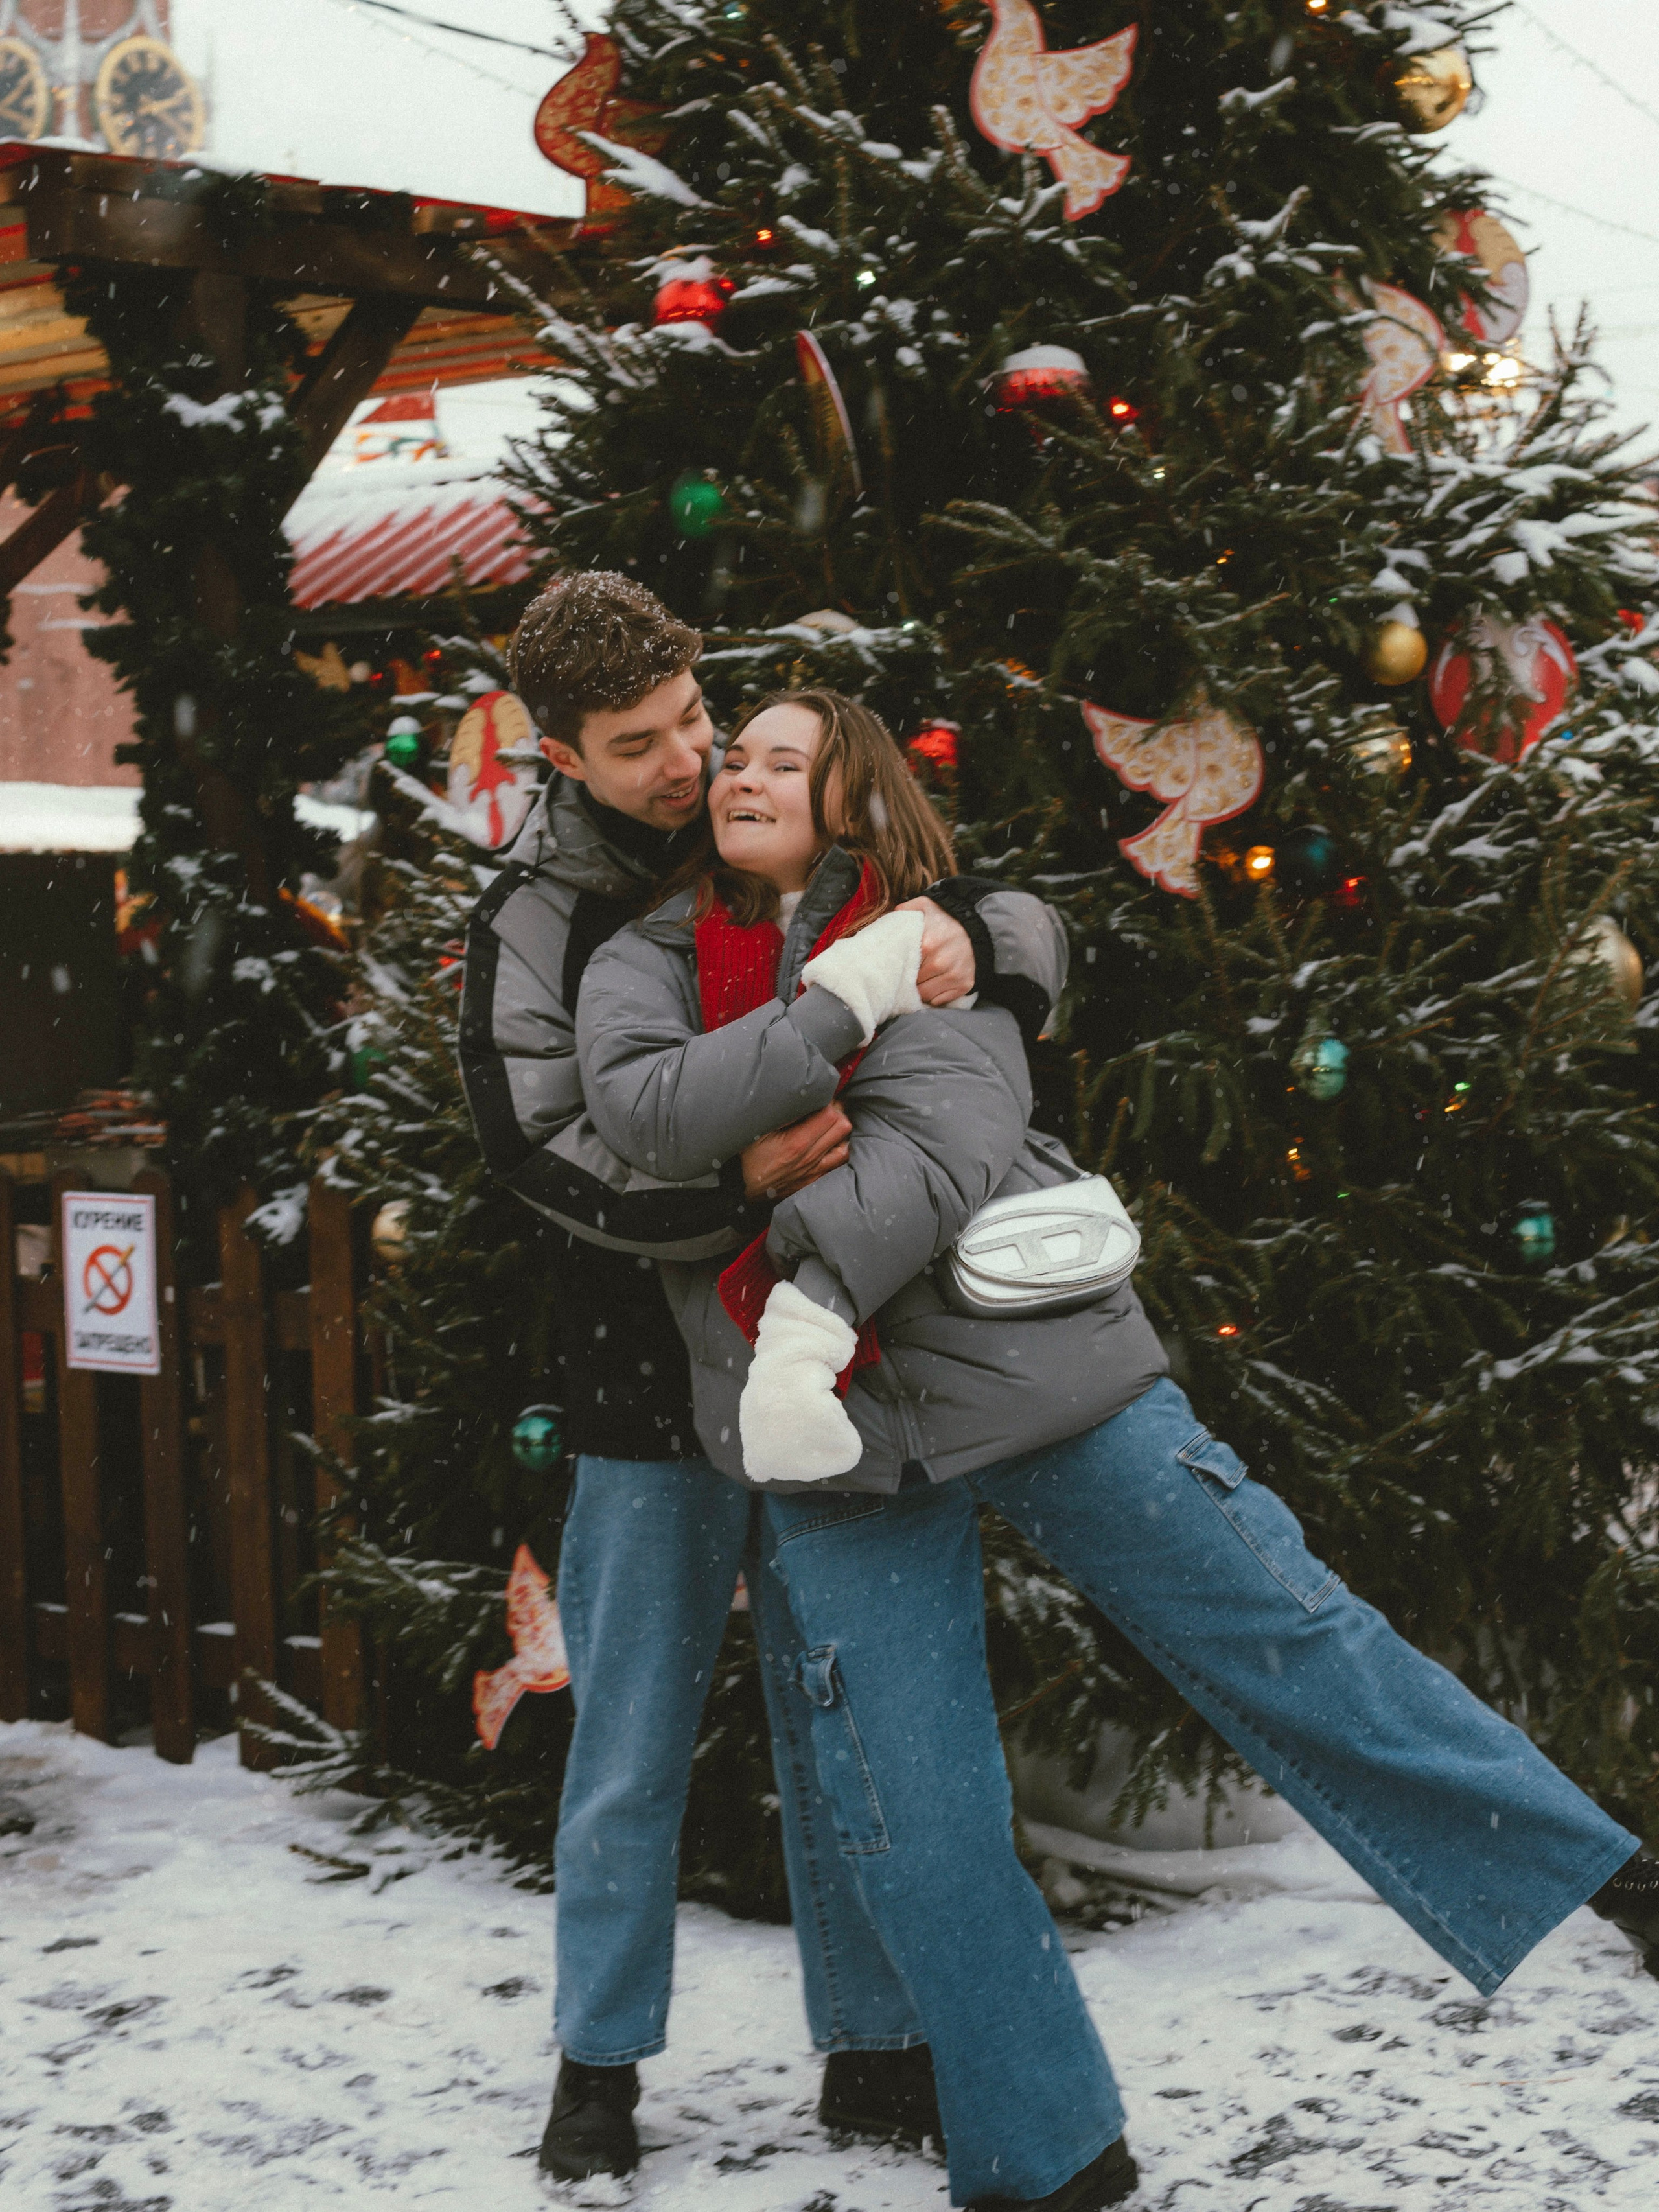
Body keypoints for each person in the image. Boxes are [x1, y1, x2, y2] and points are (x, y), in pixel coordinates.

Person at [575, 685, 1659, 2212]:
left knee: (1288, 1631)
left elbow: (948, 1131)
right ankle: (1047, 2161)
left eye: (783, 758)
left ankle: (1598, 1874)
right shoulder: (648, 961)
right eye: (731, 756)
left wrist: (807, 1248)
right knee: (914, 1817)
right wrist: (835, 1008)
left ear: (854, 795)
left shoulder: (948, 924)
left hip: (1040, 1371)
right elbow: (645, 1115)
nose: (742, 774)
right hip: (829, 1447)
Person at [458, 575, 1073, 2185]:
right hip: (640, 1376)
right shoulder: (541, 917)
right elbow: (539, 1149)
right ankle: (597, 2060)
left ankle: (871, 2041)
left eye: (694, 722)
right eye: (638, 745)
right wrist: (731, 1187)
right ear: (564, 753)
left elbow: (970, 896)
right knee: (633, 1727)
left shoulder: (765, 813)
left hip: (827, 1346)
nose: (688, 764)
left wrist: (990, 955)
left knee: (841, 1713)